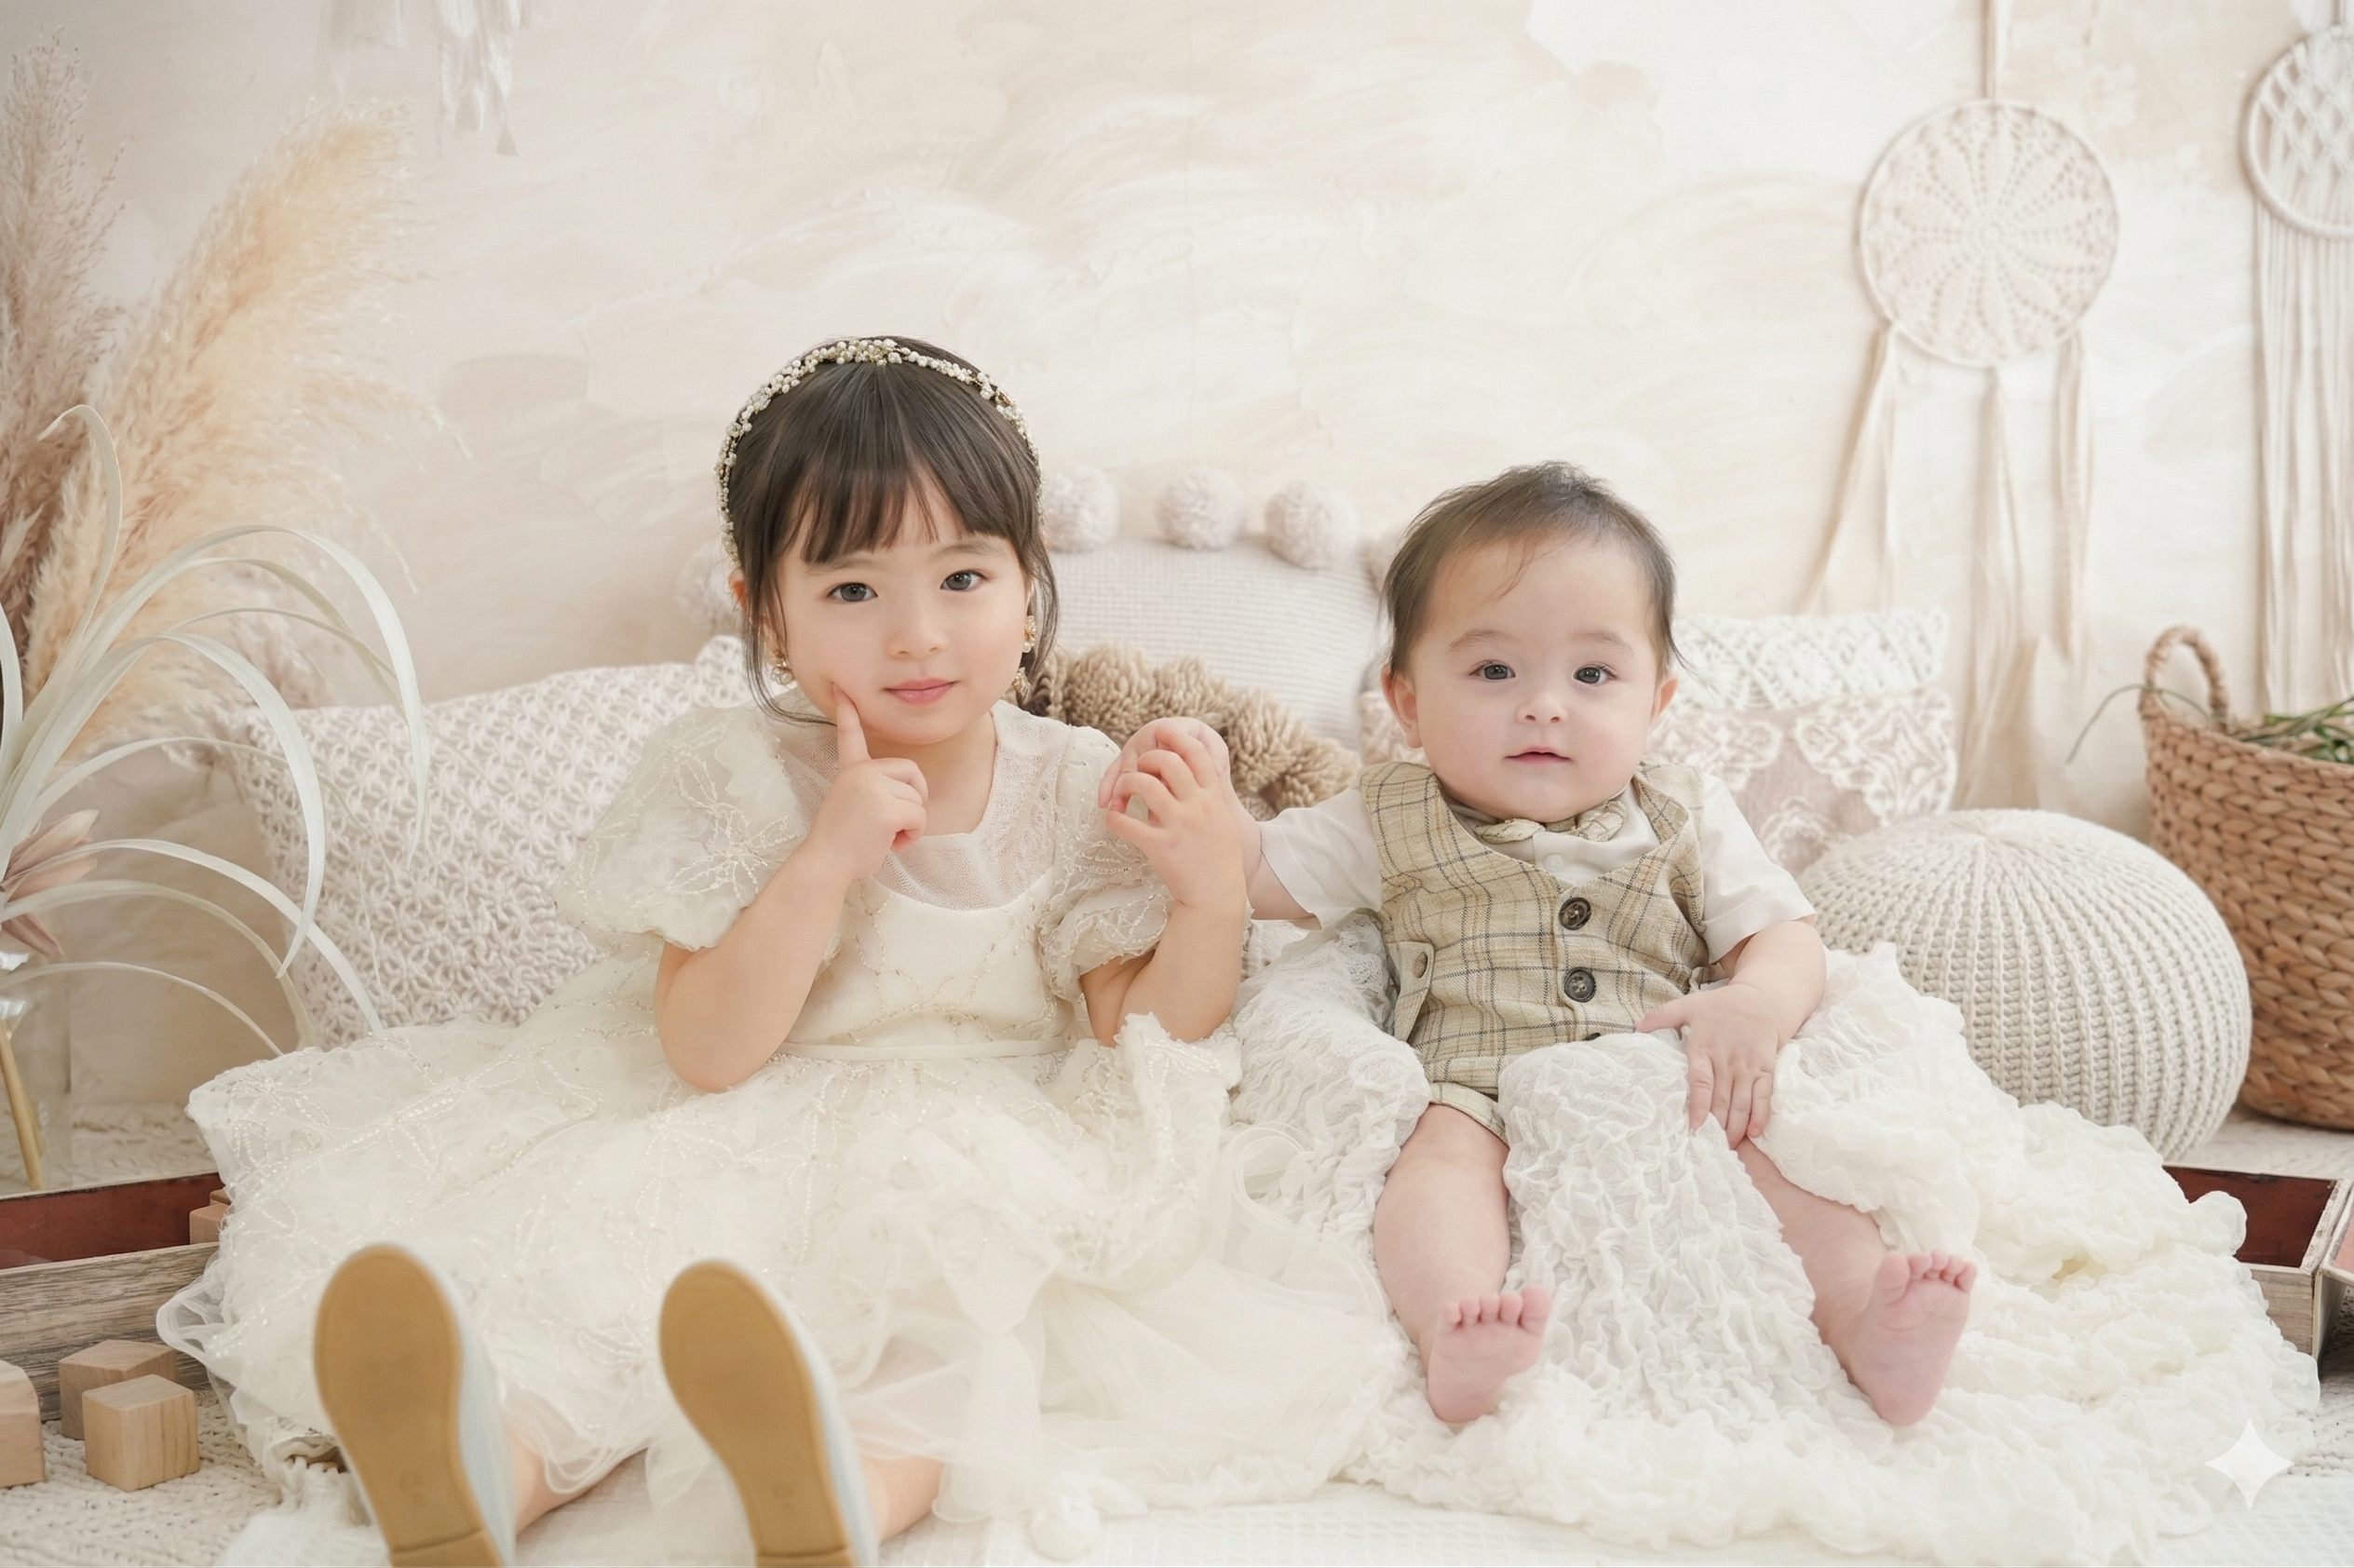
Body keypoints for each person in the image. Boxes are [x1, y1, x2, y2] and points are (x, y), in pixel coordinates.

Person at [163, 337, 1384, 1566]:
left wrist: (1208, 896)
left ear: (1028, 589)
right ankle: (480, 1473)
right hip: (733, 1119)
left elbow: (1144, 1032)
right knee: (604, 1283)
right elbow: (706, 1050)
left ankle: (831, 1495)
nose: (917, 635)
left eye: (963, 577)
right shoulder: (738, 772)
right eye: (852, 591)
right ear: (768, 614)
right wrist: (823, 862)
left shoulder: (1075, 785)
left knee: (956, 1331)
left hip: (984, 1146)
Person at [1103, 462, 1986, 1426]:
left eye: (1592, 675)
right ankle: (1453, 1329)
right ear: (1406, 700)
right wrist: (1207, 798)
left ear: (1656, 701)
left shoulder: (1686, 813)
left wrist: (1756, 1004)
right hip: (1476, 1082)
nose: (1544, 705)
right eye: (1493, 671)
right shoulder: (1385, 815)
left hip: (1662, 1064)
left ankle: (1867, 1318)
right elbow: (1261, 874)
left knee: (1785, 1158)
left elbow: (1782, 932)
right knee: (1433, 1174)